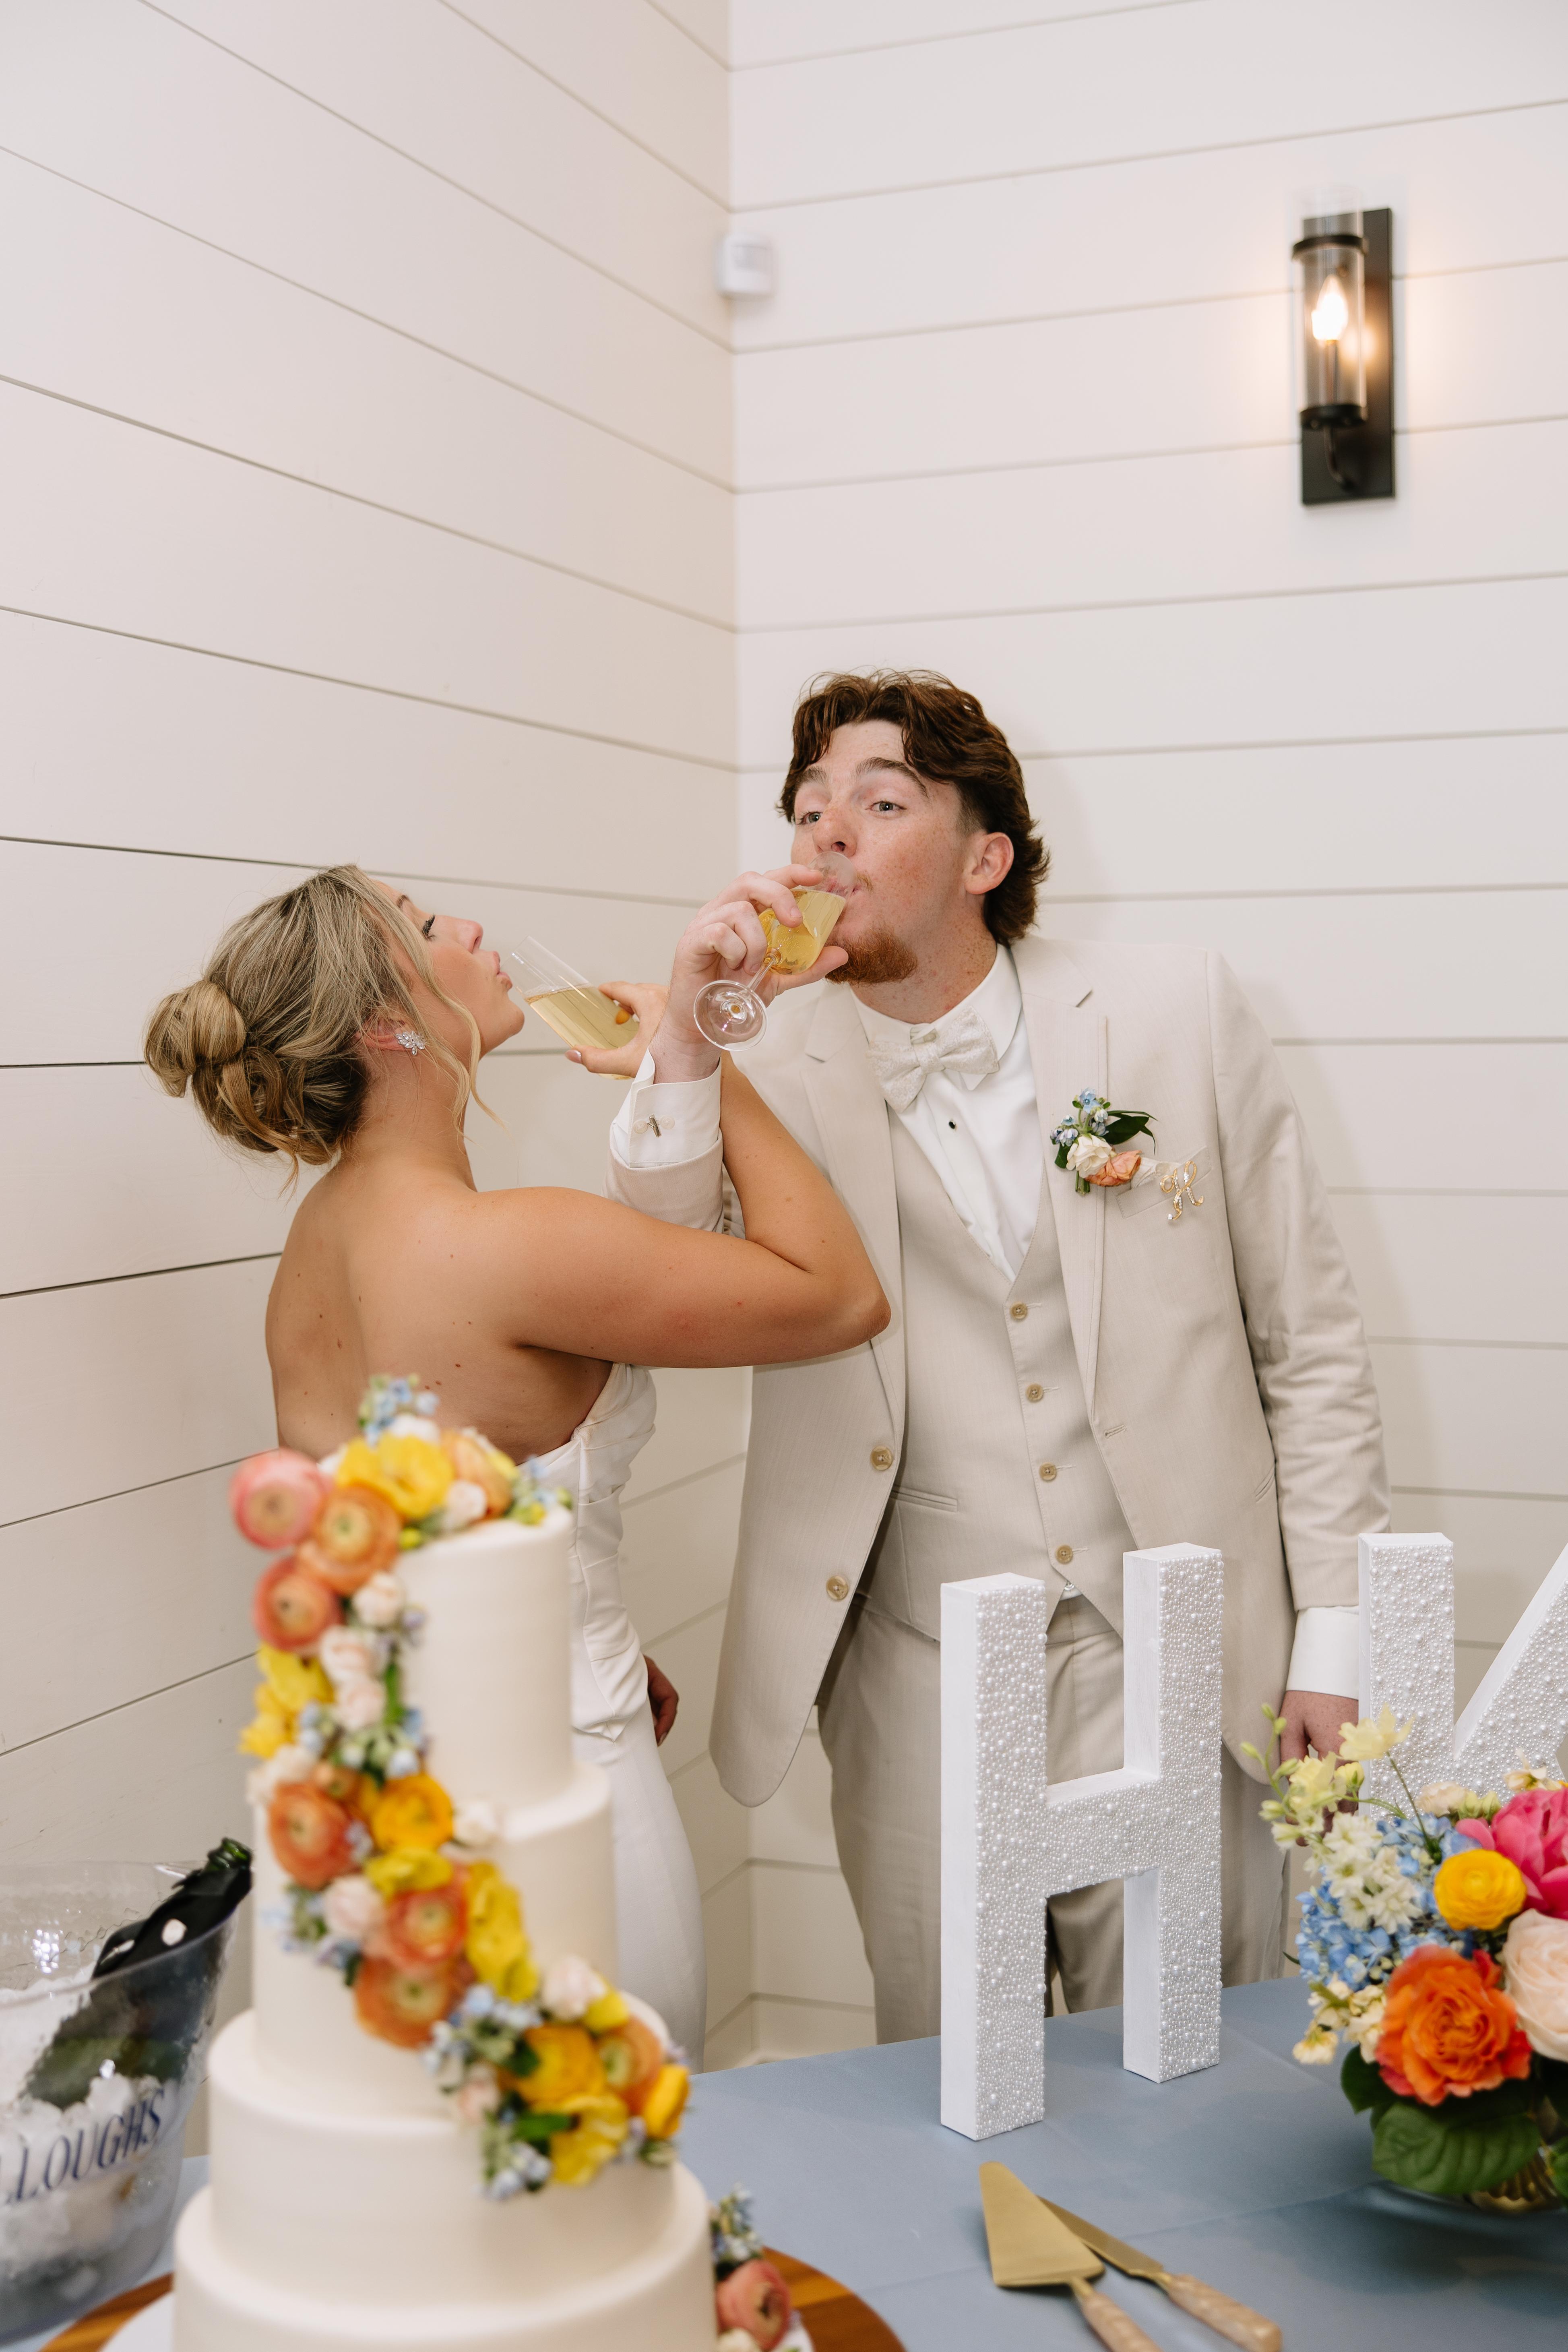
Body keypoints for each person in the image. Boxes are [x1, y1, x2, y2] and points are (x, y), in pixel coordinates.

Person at [586, 671, 1389, 2042]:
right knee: (956, 2081)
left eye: (880, 801)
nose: (827, 834)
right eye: (808, 808)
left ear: (985, 858)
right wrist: (688, 1031)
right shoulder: (762, 1067)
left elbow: (1307, 1343)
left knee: (1193, 2063)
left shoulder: (1178, 1010)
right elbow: (666, 1263)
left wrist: (1336, 1634)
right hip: (915, 1673)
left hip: (1174, 1655)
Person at [143, 864, 888, 2061]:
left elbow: (387, 1539)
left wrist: (557, 1597)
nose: (472, 927)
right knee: (627, 2121)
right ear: (387, 1025)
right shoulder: (510, 1244)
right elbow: (839, 1294)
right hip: (570, 1781)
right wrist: (710, 1054)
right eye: (429, 926)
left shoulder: (308, 1258)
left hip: (403, 1816)